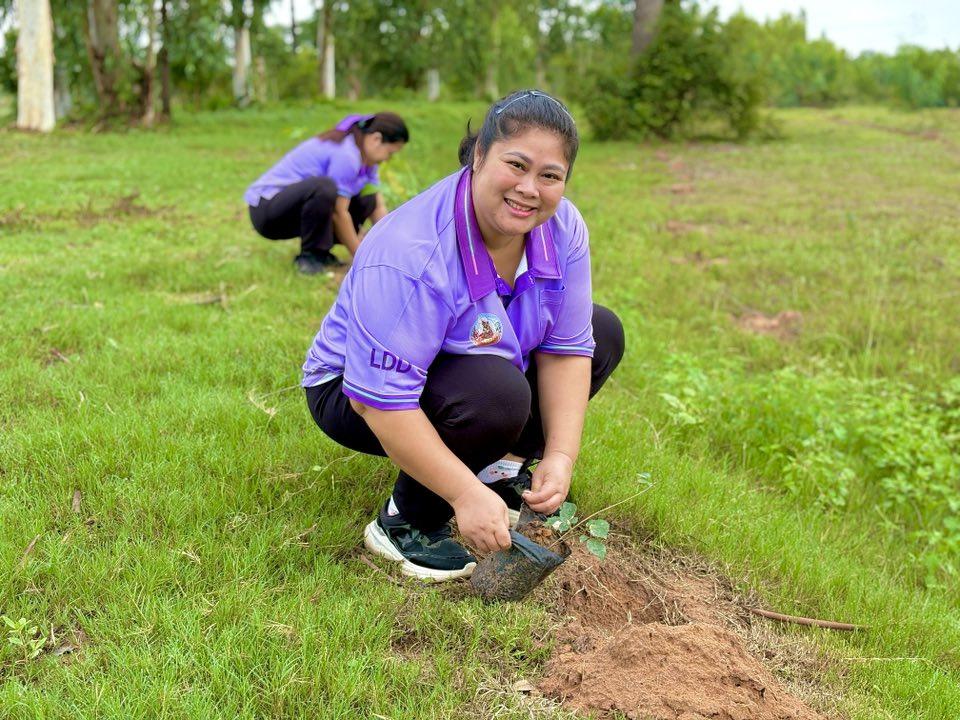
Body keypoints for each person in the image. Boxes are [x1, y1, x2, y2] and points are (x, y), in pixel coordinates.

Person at [302, 90, 625, 581]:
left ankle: (499, 470)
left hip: (472, 365)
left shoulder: (563, 229)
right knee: (497, 394)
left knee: (603, 332)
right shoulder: (411, 250)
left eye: (550, 176)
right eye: (516, 165)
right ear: (479, 155)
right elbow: (378, 402)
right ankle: (406, 521)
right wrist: (462, 495)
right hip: (352, 390)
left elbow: (567, 350)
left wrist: (561, 455)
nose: (529, 189)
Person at [244, 112, 409, 274]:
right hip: (266, 212)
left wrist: (393, 245)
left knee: (367, 198)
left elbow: (377, 205)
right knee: (324, 188)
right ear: (376, 139)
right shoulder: (347, 155)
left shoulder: (367, 161)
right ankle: (310, 257)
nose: (388, 159)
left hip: (294, 208)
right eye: (390, 153)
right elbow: (339, 213)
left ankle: (321, 253)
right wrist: (362, 259)